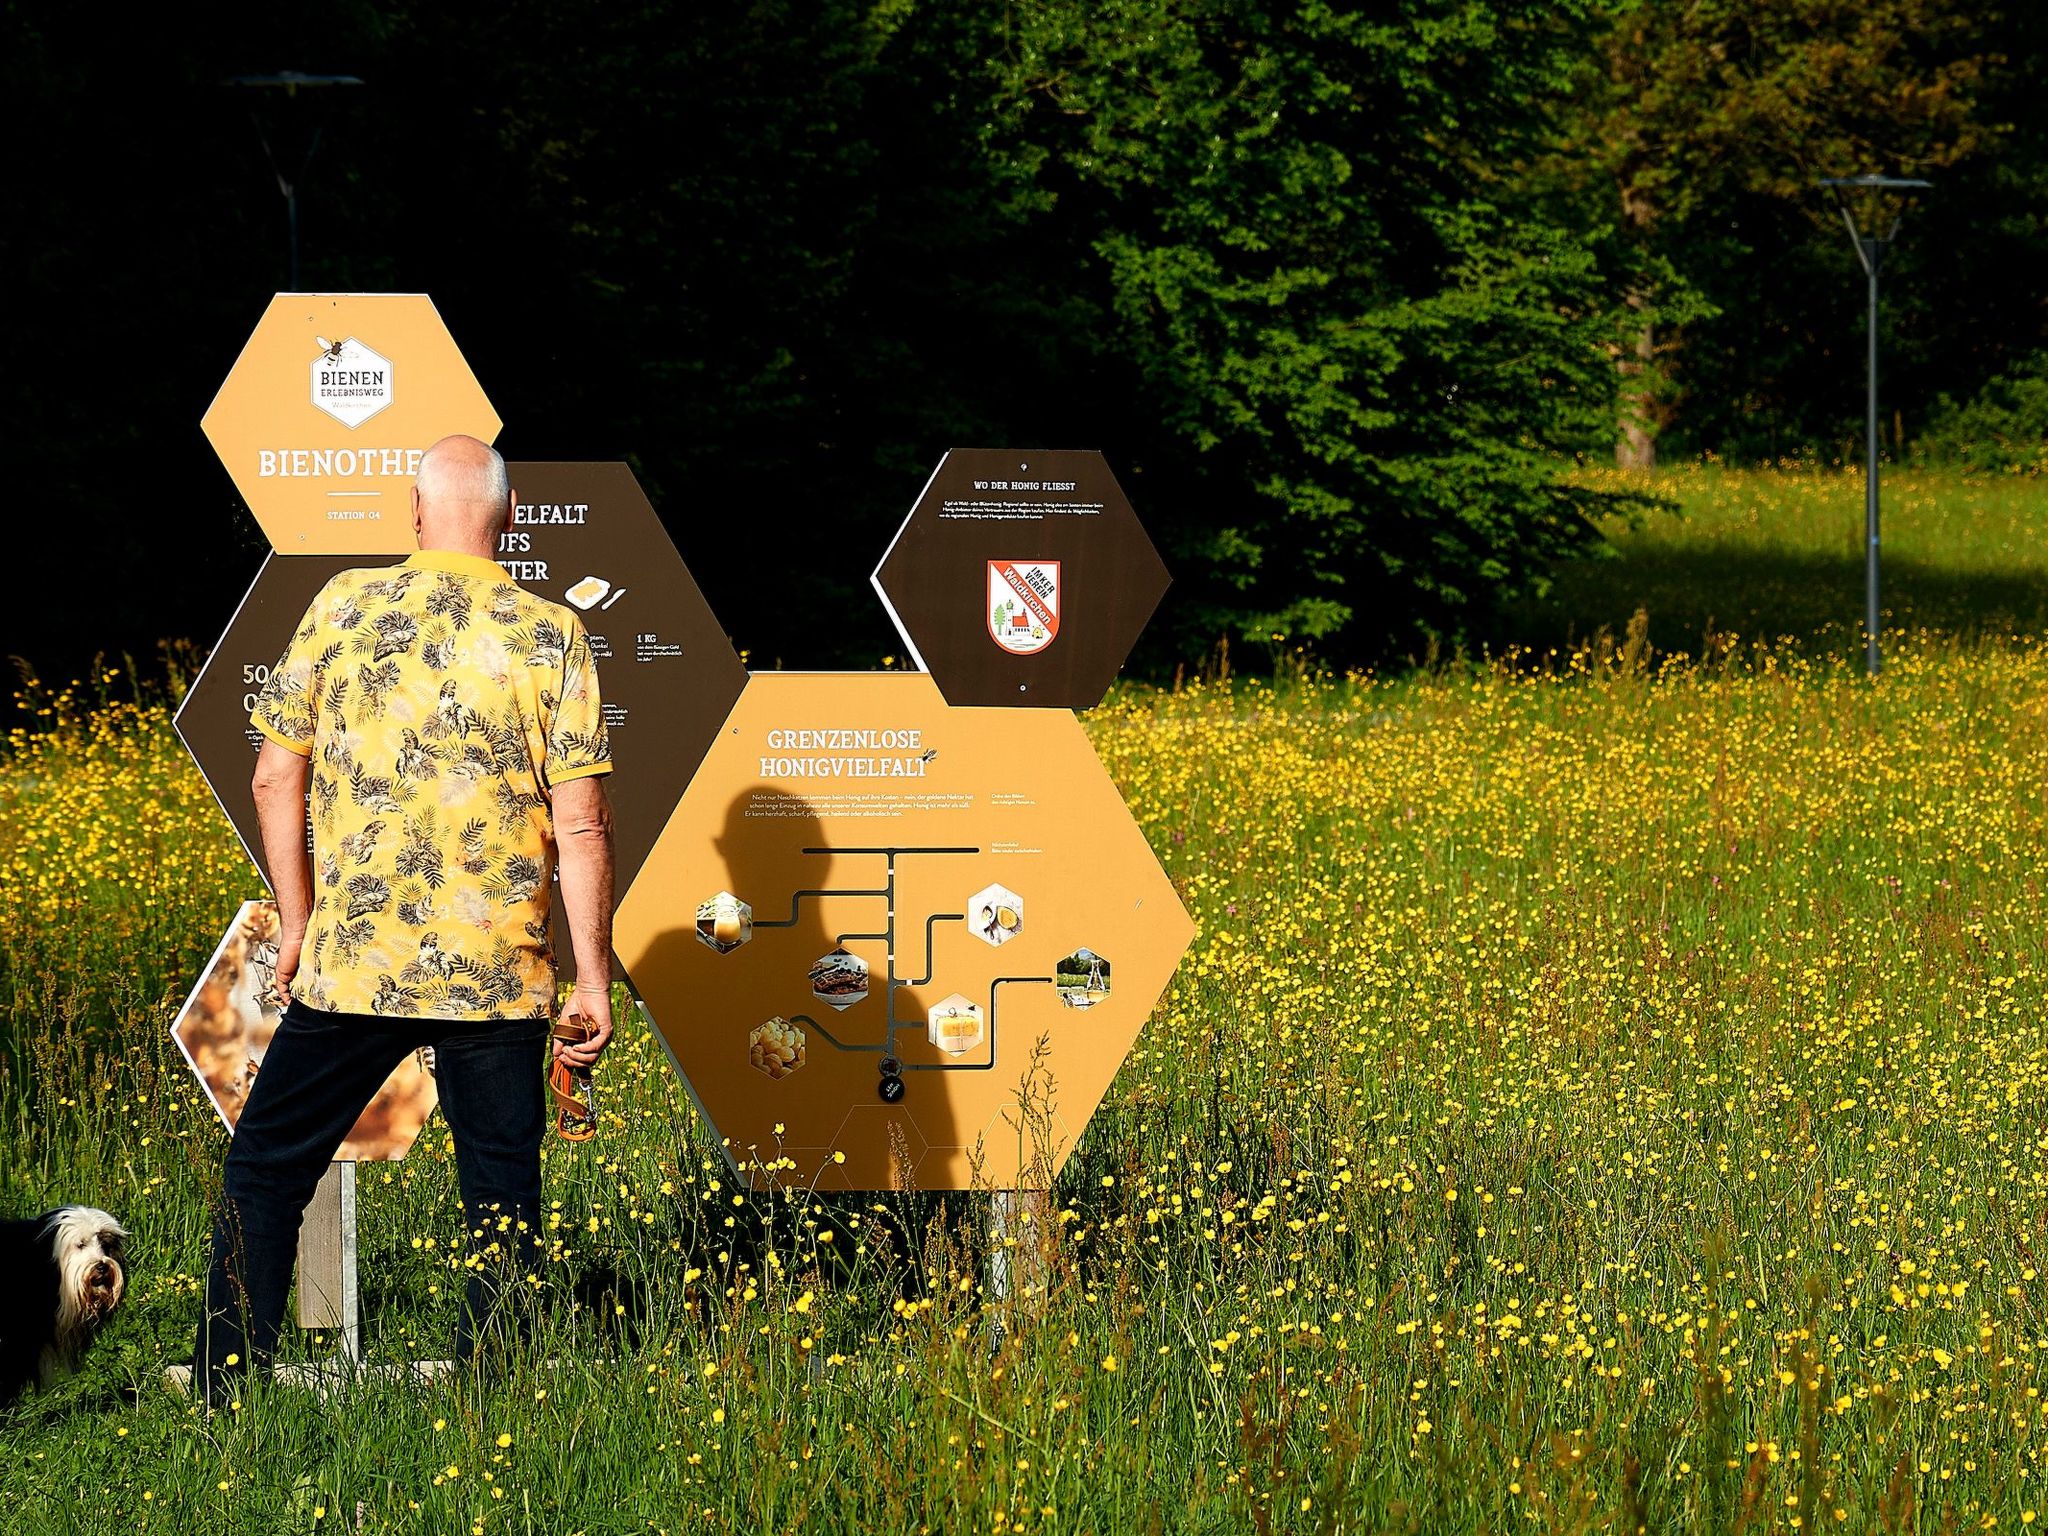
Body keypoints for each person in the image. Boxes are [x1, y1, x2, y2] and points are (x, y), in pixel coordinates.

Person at [191, 435, 616, 1400]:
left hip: (355, 964)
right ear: (507, 520)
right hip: (499, 976)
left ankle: (225, 1394)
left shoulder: (341, 606)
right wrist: (591, 984)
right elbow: (583, 820)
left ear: (414, 513)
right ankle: (494, 1404)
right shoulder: (552, 634)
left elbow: (272, 772)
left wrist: (297, 924)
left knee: (266, 1168)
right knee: (500, 1199)